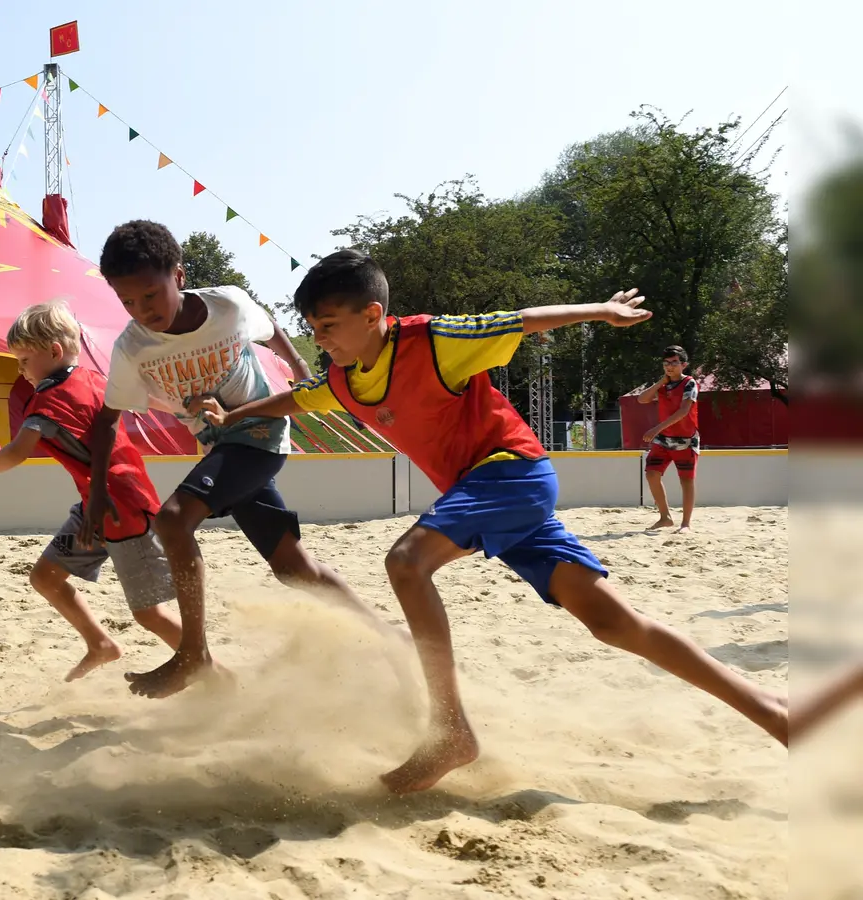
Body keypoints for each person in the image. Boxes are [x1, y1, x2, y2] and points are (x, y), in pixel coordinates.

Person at [200, 250, 789, 793]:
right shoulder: (341, 380)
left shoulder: (434, 341)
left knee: (405, 562)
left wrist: (603, 312)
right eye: (311, 325)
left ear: (373, 314)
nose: (317, 337)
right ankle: (776, 714)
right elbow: (294, 401)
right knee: (616, 624)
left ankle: (451, 731)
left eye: (327, 325)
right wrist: (233, 417)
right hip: (492, 496)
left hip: (512, 472)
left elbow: (523, 319)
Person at [81, 220, 396, 700]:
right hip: (220, 448)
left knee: (172, 519)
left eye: (150, 296)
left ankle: (194, 654)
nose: (141, 311)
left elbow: (270, 329)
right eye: (127, 302)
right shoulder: (132, 347)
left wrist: (301, 368)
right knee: (293, 567)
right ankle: (389, 639)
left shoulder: (227, 305)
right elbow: (106, 420)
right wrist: (96, 491)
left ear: (179, 276)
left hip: (260, 433)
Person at [0, 301, 185, 681]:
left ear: (54, 351)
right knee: (45, 577)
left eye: (24, 359)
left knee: (148, 613)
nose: (19, 369)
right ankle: (101, 645)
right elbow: (145, 397)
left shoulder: (48, 401)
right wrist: (186, 406)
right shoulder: (90, 377)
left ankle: (205, 665)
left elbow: (17, 452)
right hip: (97, 506)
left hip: (121, 509)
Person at [636, 345, 700, 532]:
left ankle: (686, 524)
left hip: (685, 440)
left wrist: (656, 428)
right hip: (664, 440)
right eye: (666, 363)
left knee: (686, 481)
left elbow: (683, 411)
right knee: (651, 473)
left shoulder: (689, 383)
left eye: (674, 362)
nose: (669, 366)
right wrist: (659, 383)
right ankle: (665, 517)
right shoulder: (663, 385)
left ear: (684, 364)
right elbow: (642, 399)